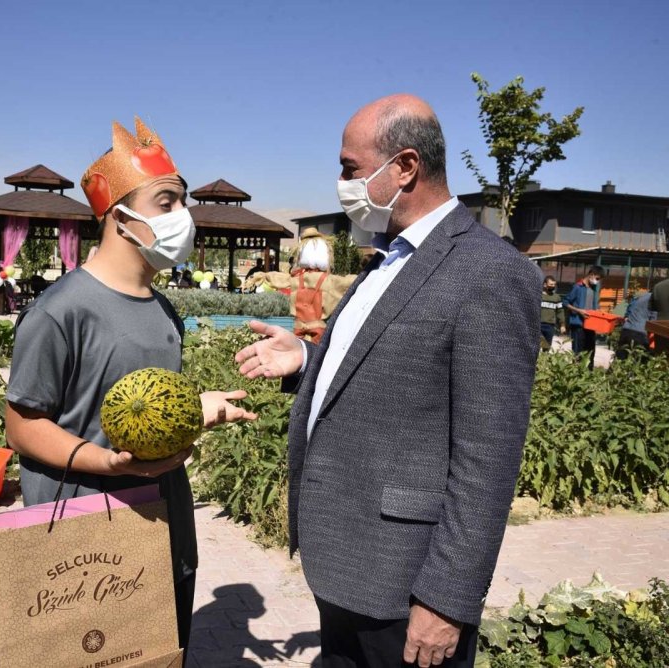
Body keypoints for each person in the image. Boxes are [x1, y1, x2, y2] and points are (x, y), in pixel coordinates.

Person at [234, 94, 540, 668]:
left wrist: (446, 600)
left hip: (406, 585)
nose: (341, 181)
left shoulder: (489, 273)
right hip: (348, 566)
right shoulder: (386, 260)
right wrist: (305, 360)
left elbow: (488, 459)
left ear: (404, 167)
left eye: (350, 168)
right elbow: (383, 369)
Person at [4, 117, 255, 662]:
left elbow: (152, 410)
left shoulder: (164, 308)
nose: (181, 218)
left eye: (182, 204)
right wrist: (105, 462)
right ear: (119, 217)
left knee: (166, 652)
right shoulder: (59, 311)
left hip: (163, 519)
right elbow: (21, 427)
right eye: (166, 202)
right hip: (84, 533)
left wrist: (197, 409)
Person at [563, 265, 605, 370]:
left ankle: (588, 377)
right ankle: (575, 375)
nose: (598, 281)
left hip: (591, 326)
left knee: (590, 352)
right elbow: (565, 302)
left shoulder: (594, 289)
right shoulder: (578, 287)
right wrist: (579, 311)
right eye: (597, 278)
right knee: (578, 352)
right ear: (591, 275)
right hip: (578, 325)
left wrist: (598, 312)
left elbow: (594, 306)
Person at [616, 290, 655, 360]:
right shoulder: (655, 300)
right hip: (639, 333)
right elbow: (654, 322)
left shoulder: (642, 296)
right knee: (639, 361)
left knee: (620, 359)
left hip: (626, 329)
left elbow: (629, 310)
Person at [540, 275, 566, 351]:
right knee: (537, 345)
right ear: (545, 284)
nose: (553, 286)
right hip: (539, 325)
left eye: (554, 285)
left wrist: (562, 325)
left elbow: (560, 311)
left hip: (550, 326)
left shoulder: (556, 297)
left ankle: (544, 361)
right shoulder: (539, 296)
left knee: (547, 347)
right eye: (551, 284)